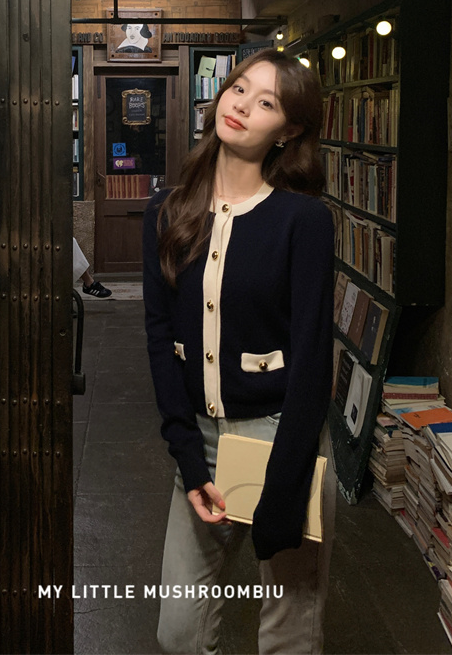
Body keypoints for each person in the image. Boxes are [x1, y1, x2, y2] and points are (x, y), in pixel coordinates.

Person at [143, 49, 336, 655]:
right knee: (179, 631)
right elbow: (159, 337)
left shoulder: (304, 220)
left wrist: (286, 480)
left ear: (289, 130)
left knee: (288, 635)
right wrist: (187, 454)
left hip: (283, 438)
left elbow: (312, 356)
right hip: (200, 442)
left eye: (267, 102)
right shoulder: (167, 210)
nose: (243, 105)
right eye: (239, 88)